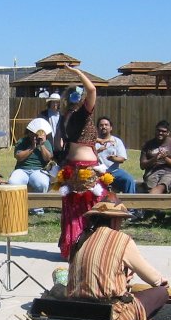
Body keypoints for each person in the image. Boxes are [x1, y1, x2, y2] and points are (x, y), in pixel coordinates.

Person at [66, 201, 170, 320]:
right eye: (121, 220)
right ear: (114, 220)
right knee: (161, 292)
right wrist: (163, 283)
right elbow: (152, 278)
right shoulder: (122, 240)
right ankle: (135, 318)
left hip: (75, 311)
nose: (121, 224)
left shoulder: (80, 238)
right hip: (107, 316)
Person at [56, 66, 108, 259]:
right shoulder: (81, 115)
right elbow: (93, 89)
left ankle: (75, 247)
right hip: (86, 170)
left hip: (71, 167)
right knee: (92, 209)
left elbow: (60, 144)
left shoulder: (64, 118)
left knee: (74, 210)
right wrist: (77, 73)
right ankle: (89, 248)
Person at [9, 121, 53, 215]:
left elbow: (48, 158)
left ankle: (37, 209)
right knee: (13, 182)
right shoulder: (22, 141)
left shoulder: (46, 143)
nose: (36, 135)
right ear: (29, 132)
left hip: (38, 170)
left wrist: (41, 145)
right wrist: (32, 147)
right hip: (22, 169)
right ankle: (17, 207)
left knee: (42, 183)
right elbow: (19, 157)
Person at [139, 120, 171, 194]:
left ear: (168, 133)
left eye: (163, 131)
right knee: (150, 186)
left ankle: (150, 200)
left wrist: (165, 158)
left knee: (162, 186)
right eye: (158, 130)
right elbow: (142, 165)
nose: (160, 133)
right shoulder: (148, 144)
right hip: (152, 172)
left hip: (169, 172)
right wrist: (154, 159)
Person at [95, 116, 137, 194]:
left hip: (114, 172)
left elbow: (122, 159)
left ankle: (131, 205)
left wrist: (113, 159)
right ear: (97, 128)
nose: (103, 127)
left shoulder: (117, 141)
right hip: (97, 173)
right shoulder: (93, 142)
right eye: (101, 125)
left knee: (129, 180)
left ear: (111, 128)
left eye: (106, 125)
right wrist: (97, 151)